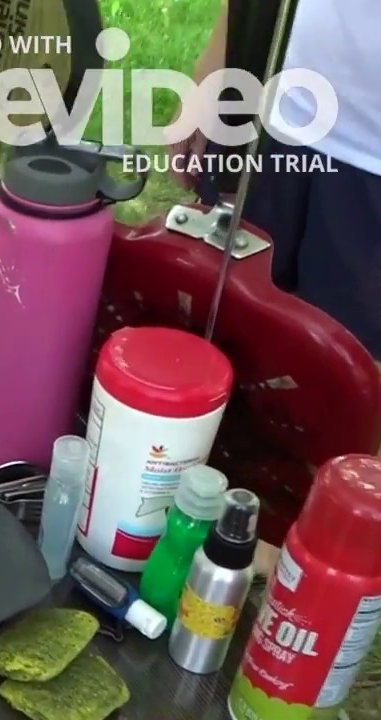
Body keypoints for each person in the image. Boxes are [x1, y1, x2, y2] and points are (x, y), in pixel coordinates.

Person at [169, 0, 381, 575]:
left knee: (343, 383)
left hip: (373, 168)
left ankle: (295, 568)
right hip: (282, 120)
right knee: (234, 332)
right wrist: (216, 78)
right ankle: (203, 510)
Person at [170, 0, 381, 361]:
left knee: (338, 369)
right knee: (208, 327)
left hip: (371, 164)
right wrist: (216, 67)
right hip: (268, 111)